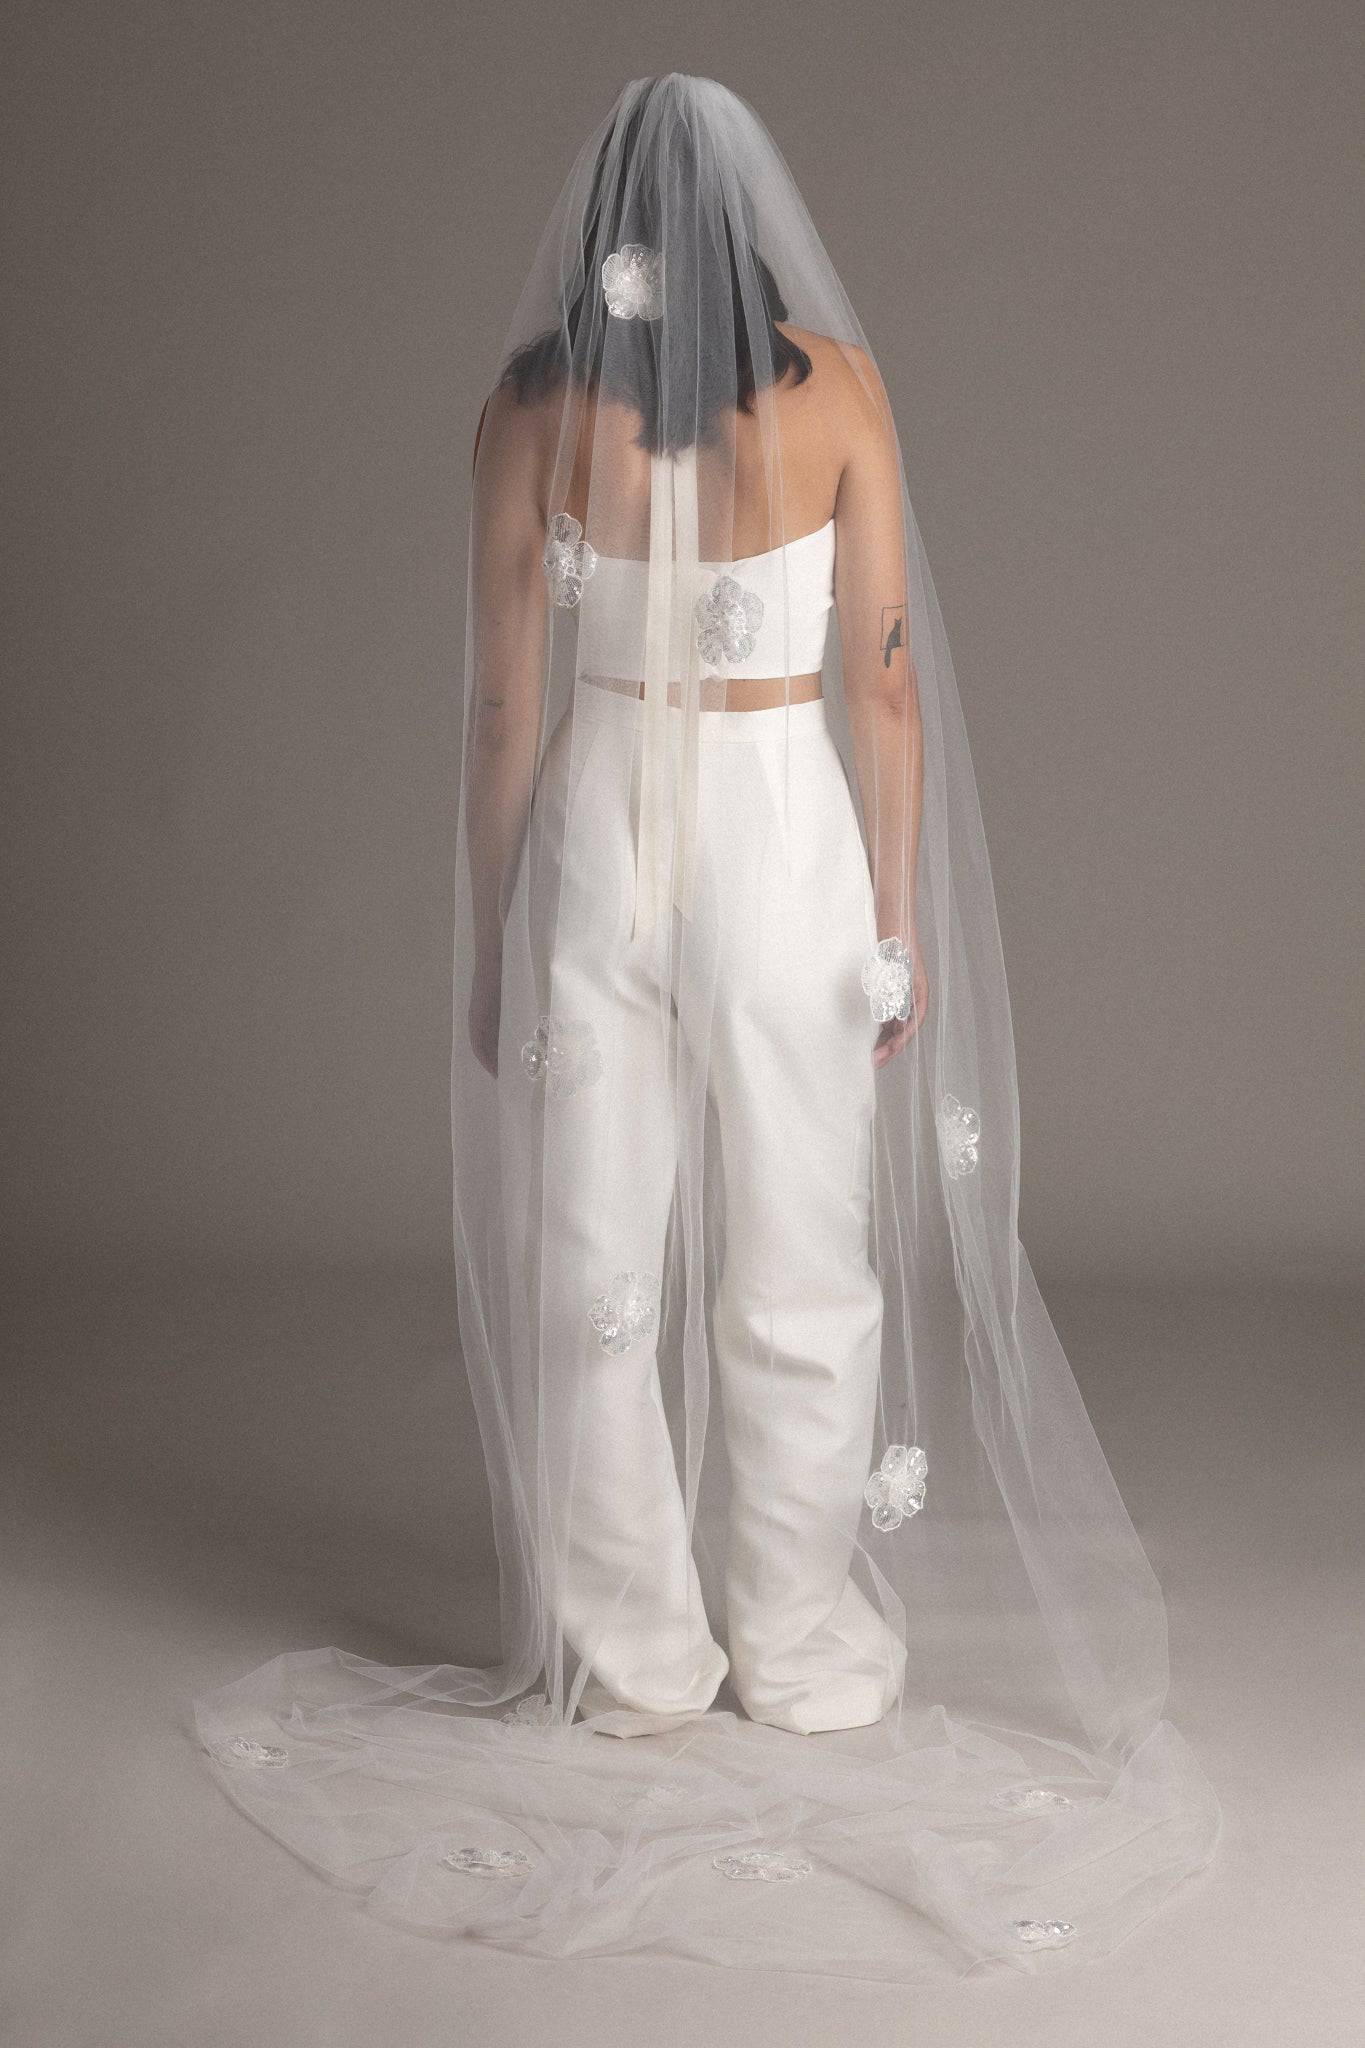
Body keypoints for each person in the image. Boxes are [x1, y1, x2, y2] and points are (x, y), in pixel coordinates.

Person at [195, 74, 1221, 1979]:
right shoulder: (836, 390)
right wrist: (895, 918)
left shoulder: (523, 409)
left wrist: (499, 936)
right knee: (800, 1257)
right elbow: (887, 682)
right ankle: (809, 1654)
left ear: (603, 229)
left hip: (601, 841)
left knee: (591, 1259)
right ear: (752, 225)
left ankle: (636, 1659)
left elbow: (504, 714)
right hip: (783, 842)